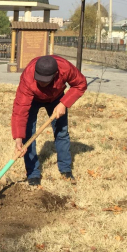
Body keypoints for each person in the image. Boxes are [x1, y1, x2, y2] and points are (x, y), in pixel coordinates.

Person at [12, 55, 87, 186]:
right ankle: (33, 174)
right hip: (34, 99)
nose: (41, 83)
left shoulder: (65, 68)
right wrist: (18, 138)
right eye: (39, 79)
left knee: (61, 131)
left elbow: (80, 84)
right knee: (28, 134)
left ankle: (65, 169)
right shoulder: (28, 76)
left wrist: (64, 103)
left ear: (55, 74)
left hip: (57, 98)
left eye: (45, 81)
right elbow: (20, 109)